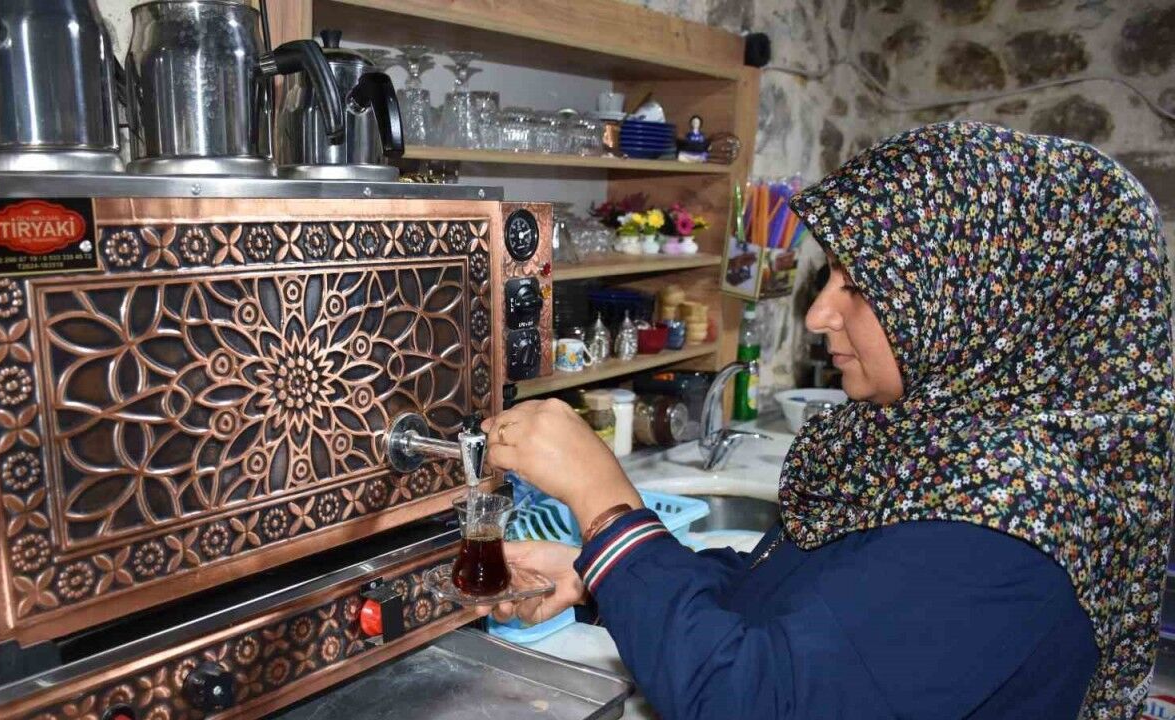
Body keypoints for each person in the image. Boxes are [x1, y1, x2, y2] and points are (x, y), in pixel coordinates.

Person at [481, 122, 1173, 719]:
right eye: (831, 277)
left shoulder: (1009, 523)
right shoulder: (930, 449)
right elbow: (787, 601)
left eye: (860, 287)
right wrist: (598, 575)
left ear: (985, 309)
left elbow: (754, 700)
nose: (818, 315)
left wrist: (605, 506)